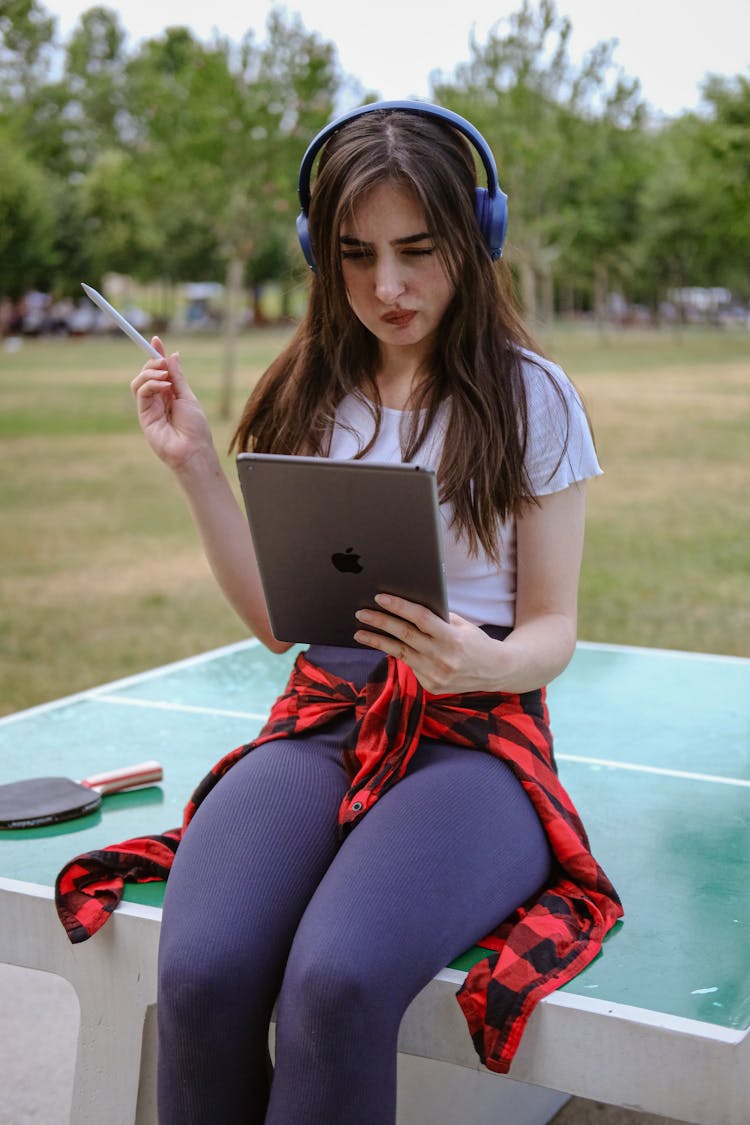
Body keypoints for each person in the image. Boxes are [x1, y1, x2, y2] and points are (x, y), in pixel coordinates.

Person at [122, 101, 622, 1124]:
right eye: (353, 255)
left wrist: (473, 663)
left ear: (476, 239)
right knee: (206, 970)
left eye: (416, 250)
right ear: (317, 253)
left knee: (336, 984)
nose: (385, 288)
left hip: (477, 737)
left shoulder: (536, 397)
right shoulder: (308, 388)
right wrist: (196, 471)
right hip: (320, 723)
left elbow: (552, 630)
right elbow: (277, 622)